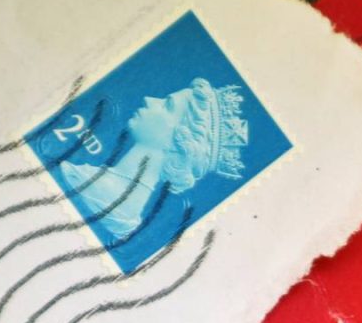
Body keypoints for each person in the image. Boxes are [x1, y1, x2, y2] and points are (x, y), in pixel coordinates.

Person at [60, 78, 248, 239]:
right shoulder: (117, 202)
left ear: (181, 141)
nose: (149, 100)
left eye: (167, 105)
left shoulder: (103, 193)